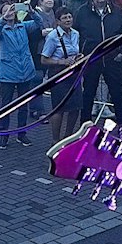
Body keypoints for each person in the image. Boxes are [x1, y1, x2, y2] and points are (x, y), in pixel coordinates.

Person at [76, 0, 122, 126]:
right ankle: (85, 125)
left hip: (113, 59)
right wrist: (80, 54)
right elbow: (76, 34)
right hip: (91, 59)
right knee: (88, 93)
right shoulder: (82, 12)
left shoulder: (118, 11)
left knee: (117, 93)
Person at [0, 3, 41, 148]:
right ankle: (3, 135)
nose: (10, 12)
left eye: (12, 10)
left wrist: (32, 11)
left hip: (26, 71)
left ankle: (21, 134)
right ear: (1, 15)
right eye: (6, 11)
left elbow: (39, 23)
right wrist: (3, 19)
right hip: (8, 72)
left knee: (23, 105)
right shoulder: (1, 30)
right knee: (6, 105)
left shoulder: (23, 26)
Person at [37, 8, 82, 144]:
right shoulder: (52, 37)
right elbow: (43, 59)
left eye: (69, 17)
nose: (68, 20)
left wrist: (79, 57)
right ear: (58, 21)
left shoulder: (76, 34)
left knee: (76, 106)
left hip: (74, 73)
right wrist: (61, 61)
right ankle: (55, 140)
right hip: (58, 74)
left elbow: (75, 50)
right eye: (64, 18)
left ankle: (68, 137)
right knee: (59, 107)